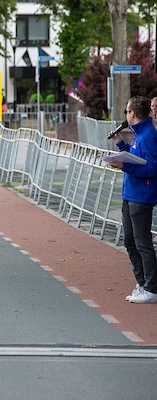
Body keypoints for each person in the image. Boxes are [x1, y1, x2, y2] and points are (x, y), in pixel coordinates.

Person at [108, 95, 157, 303]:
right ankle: (142, 282)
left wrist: (124, 165)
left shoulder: (148, 136)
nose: (125, 115)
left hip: (142, 195)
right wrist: (121, 147)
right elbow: (136, 158)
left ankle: (151, 287)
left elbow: (152, 167)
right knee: (129, 239)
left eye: (126, 111)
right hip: (130, 194)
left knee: (142, 241)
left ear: (132, 114)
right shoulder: (139, 135)